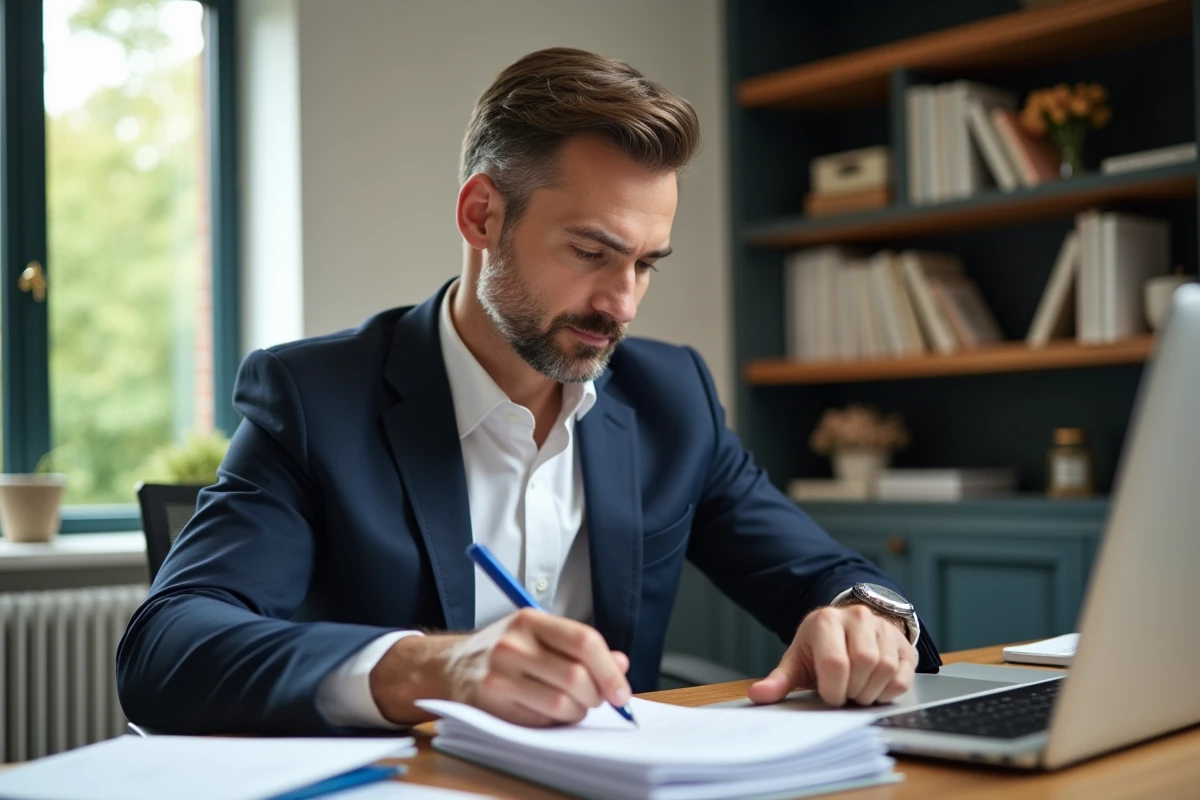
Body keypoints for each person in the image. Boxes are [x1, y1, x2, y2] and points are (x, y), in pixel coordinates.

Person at [117, 47, 940, 735]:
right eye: (591, 251)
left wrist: (867, 617)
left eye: (646, 263)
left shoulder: (670, 399)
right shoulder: (313, 399)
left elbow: (824, 572)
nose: (622, 303)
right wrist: (433, 666)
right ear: (482, 217)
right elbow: (166, 650)